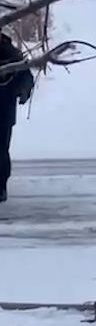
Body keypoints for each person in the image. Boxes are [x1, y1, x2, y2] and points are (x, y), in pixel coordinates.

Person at [0, 31, 34, 203]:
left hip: (3, 111)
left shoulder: (12, 54)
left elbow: (26, 76)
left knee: (0, 151)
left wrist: (23, 91)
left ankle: (0, 187)